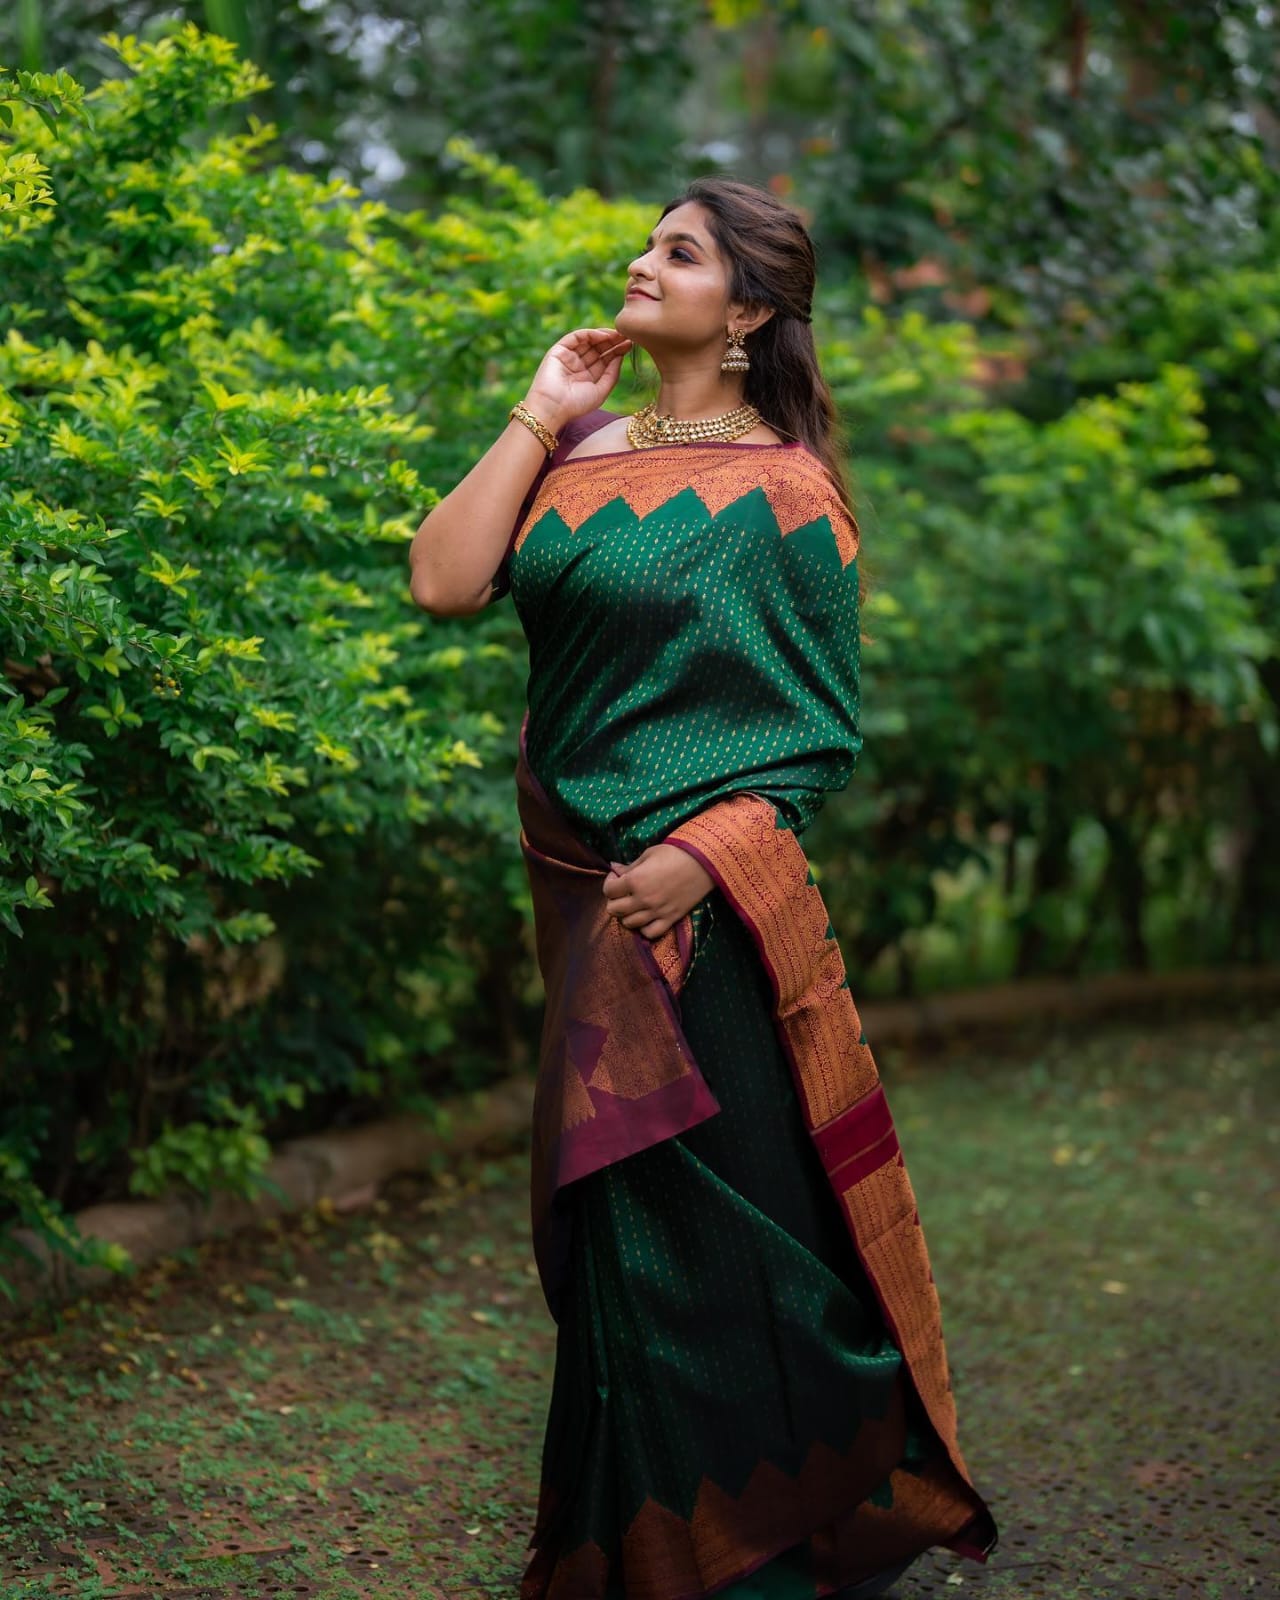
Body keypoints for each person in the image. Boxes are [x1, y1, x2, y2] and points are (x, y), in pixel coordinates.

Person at [408, 177, 998, 1600]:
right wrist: (541, 410)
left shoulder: (788, 492)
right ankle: (641, 1532)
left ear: (745, 311)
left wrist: (701, 854)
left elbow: (814, 729)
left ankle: (768, 1526)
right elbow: (443, 580)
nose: (640, 261)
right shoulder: (584, 449)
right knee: (615, 1229)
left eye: (679, 252)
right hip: (577, 882)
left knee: (726, 1221)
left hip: (703, 909)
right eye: (647, 242)